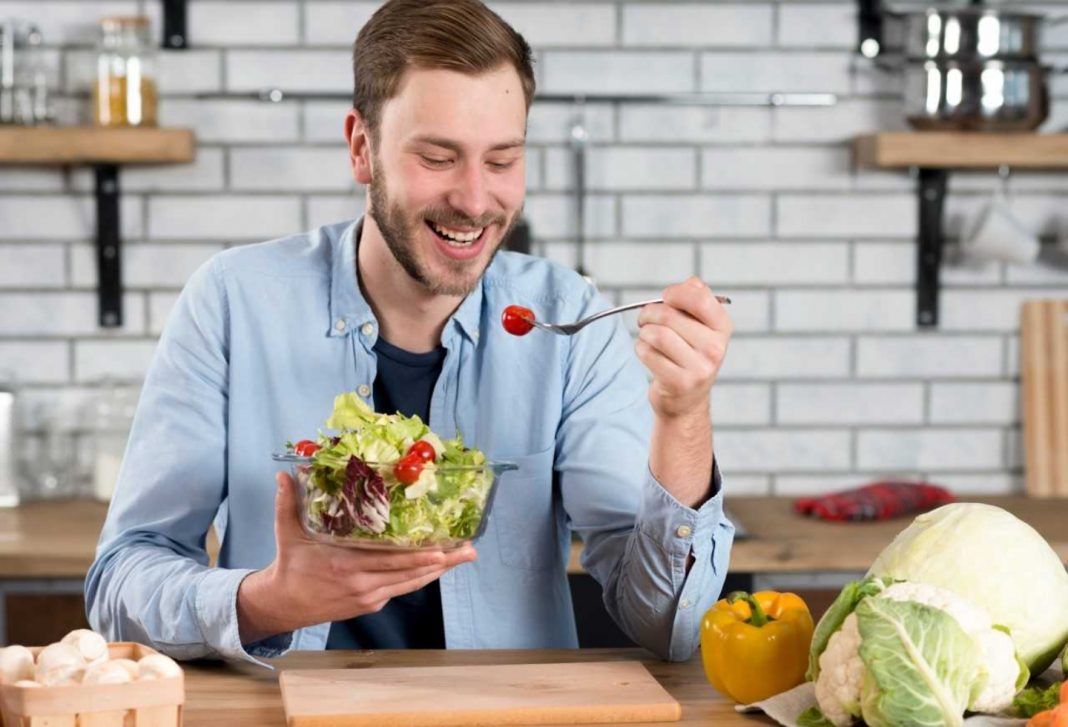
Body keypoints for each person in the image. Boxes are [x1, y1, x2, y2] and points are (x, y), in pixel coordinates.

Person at [85, 0, 735, 666]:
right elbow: (120, 584)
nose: (476, 200)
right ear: (362, 149)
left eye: (503, 160)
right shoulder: (232, 303)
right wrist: (269, 599)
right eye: (438, 157)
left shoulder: (568, 321)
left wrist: (684, 416)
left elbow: (670, 627)